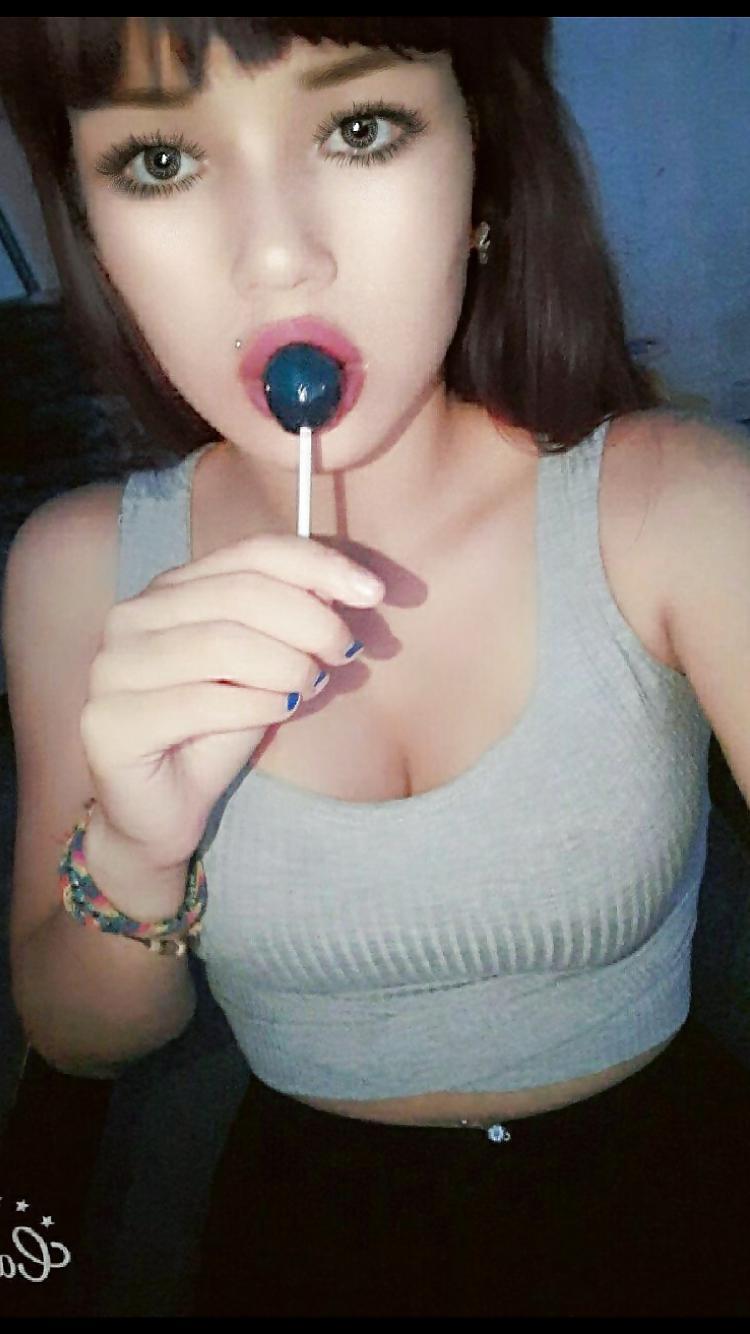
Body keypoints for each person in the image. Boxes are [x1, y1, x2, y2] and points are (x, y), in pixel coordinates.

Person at [1, 16, 749, 1318]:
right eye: (161, 161)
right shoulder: (75, 571)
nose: (275, 254)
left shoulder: (678, 504)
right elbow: (77, 1036)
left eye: (359, 128)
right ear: (97, 234)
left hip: (668, 1199)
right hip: (302, 1227)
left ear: (482, 170)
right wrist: (134, 847)